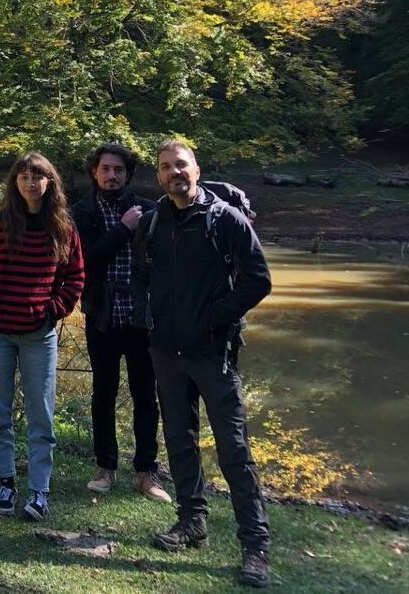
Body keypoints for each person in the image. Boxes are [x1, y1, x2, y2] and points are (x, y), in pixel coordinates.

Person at [133, 139, 272, 588]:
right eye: (166, 167)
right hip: (166, 353)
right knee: (179, 439)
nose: (175, 172)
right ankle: (192, 523)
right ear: (158, 175)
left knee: (233, 449)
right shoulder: (153, 223)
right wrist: (150, 322)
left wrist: (213, 320)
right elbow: (143, 277)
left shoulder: (225, 219)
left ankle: (255, 547)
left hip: (213, 353)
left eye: (182, 165)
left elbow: (258, 281)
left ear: (197, 168)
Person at [0, 152, 84, 523]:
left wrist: (55, 308)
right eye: (24, 177)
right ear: (15, 183)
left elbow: (75, 277)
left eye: (38, 176)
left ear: (50, 183)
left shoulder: (62, 228)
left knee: (40, 415)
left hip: (39, 336)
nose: (31, 183)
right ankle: (6, 482)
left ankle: (40, 491)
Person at [70, 143, 168, 503]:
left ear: (128, 174)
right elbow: (84, 263)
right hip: (102, 316)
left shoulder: (150, 208)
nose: (112, 175)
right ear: (94, 172)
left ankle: (146, 471)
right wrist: (124, 230)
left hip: (142, 318)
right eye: (106, 169)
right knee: (103, 393)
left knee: (146, 395)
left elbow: (165, 262)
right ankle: (105, 467)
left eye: (119, 170)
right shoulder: (81, 212)